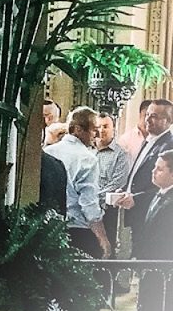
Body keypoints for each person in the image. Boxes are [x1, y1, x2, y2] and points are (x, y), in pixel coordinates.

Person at [44, 106, 110, 258]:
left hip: (47, 227)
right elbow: (89, 203)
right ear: (78, 129)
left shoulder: (48, 152)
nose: (98, 135)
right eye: (94, 130)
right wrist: (102, 237)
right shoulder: (87, 159)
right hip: (77, 230)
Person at [114, 99, 173, 256]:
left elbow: (166, 186)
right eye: (147, 114)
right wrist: (126, 189)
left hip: (153, 214)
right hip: (134, 213)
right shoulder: (148, 141)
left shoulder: (169, 145)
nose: (147, 119)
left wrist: (136, 199)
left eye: (154, 116)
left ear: (168, 120)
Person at [129, 151, 173, 311]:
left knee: (157, 307)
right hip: (148, 262)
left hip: (162, 265)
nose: (153, 172)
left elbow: (162, 237)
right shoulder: (158, 194)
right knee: (147, 303)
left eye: (160, 169)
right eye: (154, 167)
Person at [95, 113, 129, 253]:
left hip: (107, 213)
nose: (101, 130)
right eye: (98, 126)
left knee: (106, 253)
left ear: (114, 129)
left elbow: (117, 183)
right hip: (83, 214)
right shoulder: (87, 150)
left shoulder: (120, 155)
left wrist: (93, 198)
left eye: (106, 126)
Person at [117, 98, 154, 163]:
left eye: (153, 116)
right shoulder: (126, 140)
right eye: (146, 115)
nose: (148, 119)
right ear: (140, 114)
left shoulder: (158, 139)